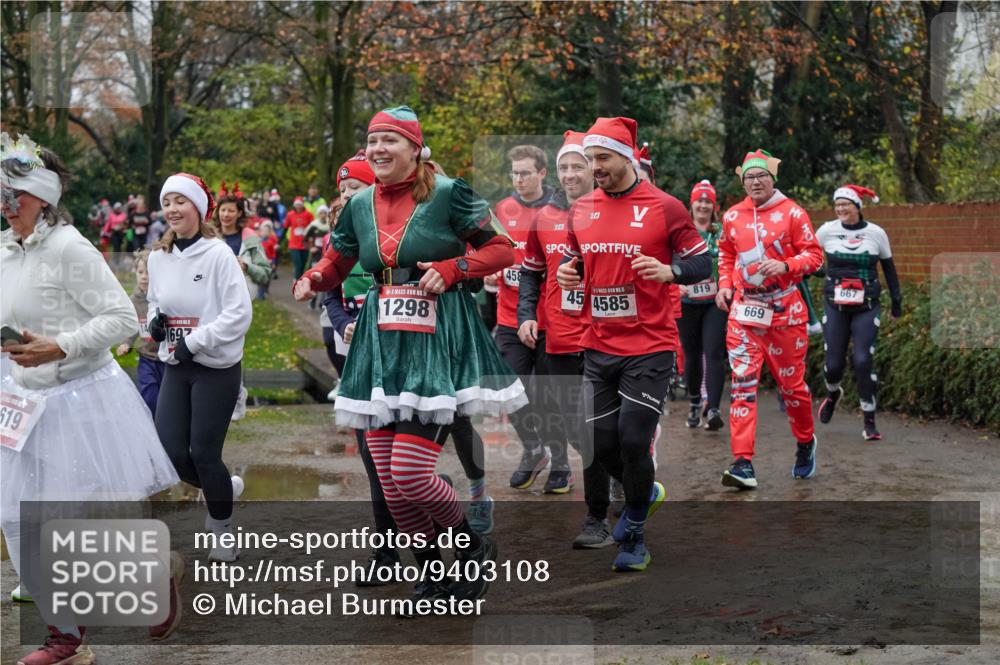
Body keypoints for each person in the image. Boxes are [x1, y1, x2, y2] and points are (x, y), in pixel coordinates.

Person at [294, 106, 523, 603]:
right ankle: (432, 570)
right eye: (372, 140)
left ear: (416, 149)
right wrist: (314, 277)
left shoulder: (447, 193)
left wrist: (454, 266)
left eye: (390, 141)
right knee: (390, 479)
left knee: (410, 473)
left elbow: (503, 251)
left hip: (435, 341)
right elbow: (339, 259)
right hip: (381, 343)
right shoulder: (359, 204)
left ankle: (471, 547)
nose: (378, 149)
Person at [1, 134, 179, 662]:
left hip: (77, 401)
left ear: (39, 197)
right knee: (17, 519)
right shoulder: (4, 251)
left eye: (10, 193)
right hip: (18, 402)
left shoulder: (69, 247)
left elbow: (123, 318)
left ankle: (156, 570)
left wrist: (61, 344)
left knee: (83, 519)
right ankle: (66, 639)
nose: (2, 204)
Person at [556, 117, 711, 571]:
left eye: (602, 158)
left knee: (632, 439)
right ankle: (648, 492)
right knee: (599, 445)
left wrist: (672, 272)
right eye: (590, 159)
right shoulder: (582, 208)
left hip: (650, 343)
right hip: (599, 342)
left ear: (626, 157)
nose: (594, 167)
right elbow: (577, 260)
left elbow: (703, 265)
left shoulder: (665, 207)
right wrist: (571, 271)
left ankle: (635, 534)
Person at [148, 172, 252, 563]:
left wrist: (196, 342)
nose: (173, 210)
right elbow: (156, 301)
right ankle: (224, 487)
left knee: (205, 453)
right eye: (167, 202)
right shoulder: (159, 257)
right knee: (172, 451)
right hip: (176, 363)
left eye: (181, 201)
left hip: (216, 366)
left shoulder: (218, 255)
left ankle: (222, 528)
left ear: (199, 208)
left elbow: (239, 315)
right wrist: (155, 320)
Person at [519, 130, 615, 547]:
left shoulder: (613, 211)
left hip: (602, 336)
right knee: (575, 428)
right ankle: (619, 476)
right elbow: (530, 271)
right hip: (556, 337)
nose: (572, 173)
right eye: (565, 167)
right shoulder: (544, 217)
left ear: (593, 169)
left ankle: (603, 508)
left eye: (579, 165)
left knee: (594, 425)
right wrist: (526, 314)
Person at [715, 149, 823, 490]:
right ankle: (743, 462)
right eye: (749, 177)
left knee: (792, 389)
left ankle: (806, 441)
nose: (756, 181)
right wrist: (724, 286)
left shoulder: (793, 212)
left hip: (785, 315)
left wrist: (786, 266)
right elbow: (726, 253)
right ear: (743, 181)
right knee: (743, 386)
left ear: (772, 178)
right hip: (744, 314)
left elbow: (815, 256)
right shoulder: (733, 215)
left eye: (761, 175)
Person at [493, 144, 562, 491]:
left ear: (542, 173)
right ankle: (534, 449)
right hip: (509, 317)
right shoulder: (502, 209)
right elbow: (488, 251)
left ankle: (560, 465)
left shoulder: (559, 210)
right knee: (507, 387)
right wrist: (490, 271)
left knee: (548, 394)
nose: (518, 179)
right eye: (514, 173)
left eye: (525, 173)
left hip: (550, 321)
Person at [815, 184, 902, 440]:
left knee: (863, 361)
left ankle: (870, 421)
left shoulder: (876, 233)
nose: (841, 209)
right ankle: (832, 394)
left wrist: (897, 300)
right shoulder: (827, 230)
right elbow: (808, 255)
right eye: (837, 205)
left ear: (857, 207)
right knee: (833, 365)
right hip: (836, 305)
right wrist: (817, 270)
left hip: (867, 305)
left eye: (846, 204)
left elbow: (889, 268)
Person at [677, 180, 728, 431]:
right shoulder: (682, 229)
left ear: (714, 205)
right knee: (692, 355)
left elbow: (731, 258)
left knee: (715, 351)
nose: (704, 205)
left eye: (708, 201)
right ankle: (696, 401)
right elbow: (670, 258)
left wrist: (726, 283)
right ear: (692, 203)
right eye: (700, 200)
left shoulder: (720, 232)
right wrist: (675, 282)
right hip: (687, 303)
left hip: (714, 302)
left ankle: (714, 408)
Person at [116, 249, 166, 416]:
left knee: (167, 399)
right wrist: (126, 343)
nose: (144, 276)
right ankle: (151, 427)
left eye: (149, 272)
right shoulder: (133, 301)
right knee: (149, 397)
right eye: (140, 272)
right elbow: (132, 327)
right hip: (146, 359)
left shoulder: (165, 298)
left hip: (167, 358)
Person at [284, 195, 314, 281]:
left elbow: (313, 228)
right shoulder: (290, 214)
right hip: (293, 244)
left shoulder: (308, 214)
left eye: (299, 204)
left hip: (305, 244)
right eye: (296, 204)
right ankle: (296, 281)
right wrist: (279, 241)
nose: (298, 206)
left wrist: (312, 239)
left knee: (304, 265)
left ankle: (301, 282)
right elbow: (285, 228)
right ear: (294, 205)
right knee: (298, 265)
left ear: (302, 205)